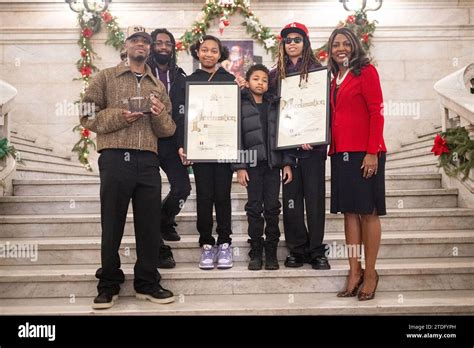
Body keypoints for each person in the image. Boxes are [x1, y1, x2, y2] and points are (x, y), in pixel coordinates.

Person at [81, 26, 176, 309]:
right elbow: (86, 115)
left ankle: (147, 282)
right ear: (126, 45)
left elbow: (168, 129)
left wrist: (159, 116)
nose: (141, 45)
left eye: (145, 42)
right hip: (114, 158)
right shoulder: (106, 77)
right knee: (112, 224)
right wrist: (119, 116)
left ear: (148, 49)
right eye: (135, 40)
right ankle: (108, 283)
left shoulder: (157, 86)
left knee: (149, 226)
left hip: (148, 160)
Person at [327, 27, 387, 301]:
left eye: (346, 44)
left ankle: (371, 272)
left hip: (365, 152)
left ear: (354, 47)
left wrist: (372, 151)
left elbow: (377, 112)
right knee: (349, 213)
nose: (341, 48)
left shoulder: (366, 72)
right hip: (340, 154)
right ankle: (354, 271)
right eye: (336, 44)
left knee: (368, 212)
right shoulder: (333, 79)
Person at [269, 22, 330, 270]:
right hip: (288, 153)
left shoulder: (318, 72)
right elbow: (271, 115)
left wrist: (314, 136)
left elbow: (325, 110)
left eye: (297, 39)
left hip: (313, 151)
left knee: (314, 201)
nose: (292, 43)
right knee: (292, 201)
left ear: (305, 43)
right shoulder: (275, 76)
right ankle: (297, 249)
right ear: (283, 45)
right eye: (288, 40)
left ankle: (316, 250)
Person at [180, 35, 237, 269]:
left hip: (223, 149)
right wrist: (183, 144)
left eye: (214, 51)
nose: (209, 54)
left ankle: (224, 243)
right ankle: (206, 243)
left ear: (219, 55)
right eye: (204, 50)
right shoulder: (189, 81)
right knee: (204, 197)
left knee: (223, 196)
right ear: (197, 52)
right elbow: (181, 116)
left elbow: (237, 116)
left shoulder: (230, 80)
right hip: (201, 149)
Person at [232, 64, 293, 270]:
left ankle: (271, 251)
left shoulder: (275, 104)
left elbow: (284, 135)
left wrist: (286, 163)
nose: (260, 82)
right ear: (247, 82)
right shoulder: (240, 104)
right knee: (254, 208)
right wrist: (240, 166)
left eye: (265, 80)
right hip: (252, 165)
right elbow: (237, 136)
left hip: (273, 166)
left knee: (273, 207)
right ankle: (256, 250)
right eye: (256, 78)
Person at [147, 28, 192, 268]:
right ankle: (157, 245)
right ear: (152, 46)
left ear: (173, 48)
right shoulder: (142, 73)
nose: (164, 47)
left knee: (183, 188)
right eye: (159, 43)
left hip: (172, 141)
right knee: (150, 195)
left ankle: (165, 219)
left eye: (168, 44)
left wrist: (185, 143)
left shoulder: (180, 76)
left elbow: (187, 113)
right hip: (147, 141)